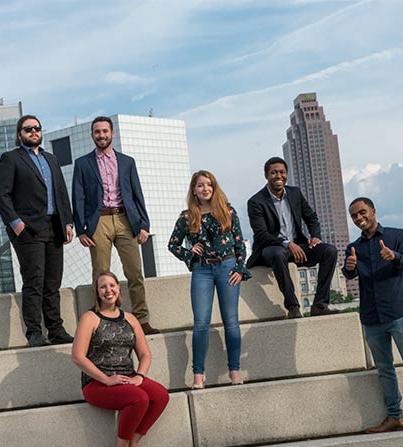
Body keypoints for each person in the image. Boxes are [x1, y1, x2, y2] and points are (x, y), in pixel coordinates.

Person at [343, 197, 403, 433]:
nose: (359, 218)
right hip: (371, 316)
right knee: (384, 369)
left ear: (373, 211)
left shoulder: (397, 235)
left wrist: (393, 256)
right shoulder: (354, 247)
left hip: (397, 312)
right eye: (354, 215)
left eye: (362, 212)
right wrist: (350, 266)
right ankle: (395, 417)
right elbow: (349, 274)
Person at [72, 116, 159, 335]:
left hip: (125, 220)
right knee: (100, 273)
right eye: (97, 132)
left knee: (135, 272)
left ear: (112, 134)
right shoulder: (83, 163)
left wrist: (144, 224)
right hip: (98, 221)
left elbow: (137, 194)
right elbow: (78, 197)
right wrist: (81, 229)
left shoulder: (127, 162)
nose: (101, 135)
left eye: (105, 131)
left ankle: (141, 319)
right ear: (92, 135)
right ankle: (102, 321)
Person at [71, 271, 170, 447]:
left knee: (160, 395)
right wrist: (107, 380)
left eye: (112, 285)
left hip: (128, 376)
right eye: (103, 287)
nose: (108, 290)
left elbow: (145, 354)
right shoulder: (90, 318)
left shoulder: (130, 319)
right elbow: (77, 357)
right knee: (139, 398)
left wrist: (140, 375)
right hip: (97, 383)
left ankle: (133, 443)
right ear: (97, 292)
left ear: (118, 288)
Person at [0, 115, 75, 347]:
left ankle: (56, 329)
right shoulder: (11, 159)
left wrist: (68, 222)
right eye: (27, 129)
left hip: (55, 227)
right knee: (34, 281)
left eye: (37, 128)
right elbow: (1, 194)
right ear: (19, 134)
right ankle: (34, 332)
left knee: (52, 282)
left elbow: (61, 192)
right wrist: (16, 223)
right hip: (28, 230)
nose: (33, 132)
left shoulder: (52, 159)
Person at [168, 171, 250, 389]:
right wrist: (189, 253)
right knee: (201, 323)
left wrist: (240, 269)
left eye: (209, 185)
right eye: (200, 185)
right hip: (202, 270)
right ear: (194, 190)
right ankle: (198, 375)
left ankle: (234, 370)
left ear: (214, 188)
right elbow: (173, 244)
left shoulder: (228, 212)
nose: (205, 188)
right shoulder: (187, 217)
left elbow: (240, 244)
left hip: (227, 267)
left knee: (231, 321)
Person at [246, 156, 338, 319]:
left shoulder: (295, 193)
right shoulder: (256, 201)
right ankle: (293, 306)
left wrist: (315, 236)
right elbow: (262, 235)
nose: (278, 176)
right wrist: (287, 243)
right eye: (273, 172)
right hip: (270, 249)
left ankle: (319, 305)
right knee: (278, 253)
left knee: (329, 251)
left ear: (286, 174)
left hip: (298, 246)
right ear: (266, 175)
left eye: (282, 172)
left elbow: (311, 217)